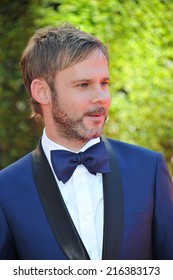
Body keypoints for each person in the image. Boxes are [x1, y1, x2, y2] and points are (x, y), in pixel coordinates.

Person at [0, 22, 173, 260]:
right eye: (83, 85)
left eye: (104, 83)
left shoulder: (149, 169)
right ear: (42, 92)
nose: (102, 98)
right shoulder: (5, 190)